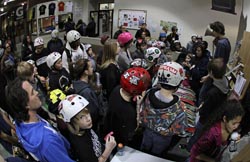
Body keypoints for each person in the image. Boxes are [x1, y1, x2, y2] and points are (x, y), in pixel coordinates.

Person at [5, 78, 75, 162]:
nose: (37, 92)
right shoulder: (47, 141)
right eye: (32, 93)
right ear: (26, 105)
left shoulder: (21, 122)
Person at [140, 61, 188, 156]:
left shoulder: (149, 93)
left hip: (147, 132)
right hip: (162, 138)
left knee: (143, 152)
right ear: (178, 84)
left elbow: (142, 111)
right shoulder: (180, 107)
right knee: (157, 155)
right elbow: (179, 129)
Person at [187, 58, 229, 151]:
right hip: (214, 113)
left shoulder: (212, 93)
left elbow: (205, 110)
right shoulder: (225, 80)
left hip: (205, 119)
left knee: (197, 134)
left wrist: (201, 109)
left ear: (211, 72)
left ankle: (189, 148)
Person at [59, 94, 116, 162]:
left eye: (87, 113)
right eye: (81, 117)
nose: (88, 118)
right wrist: (108, 150)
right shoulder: (80, 145)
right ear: (72, 122)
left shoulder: (84, 127)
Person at [105, 67, 151, 146]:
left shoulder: (117, 89)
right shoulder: (129, 112)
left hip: (109, 127)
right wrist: (138, 106)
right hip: (120, 140)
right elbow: (134, 129)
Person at [71, 59, 101, 131]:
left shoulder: (74, 84)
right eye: (90, 67)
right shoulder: (86, 92)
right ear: (86, 72)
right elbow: (94, 112)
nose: (92, 68)